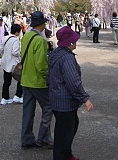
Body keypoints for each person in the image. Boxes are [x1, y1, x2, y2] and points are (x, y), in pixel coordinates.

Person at [48, 26, 93, 160]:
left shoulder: (56, 53)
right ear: (70, 42)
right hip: (64, 101)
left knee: (70, 128)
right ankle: (62, 156)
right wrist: (85, 98)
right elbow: (73, 82)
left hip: (57, 98)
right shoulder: (66, 58)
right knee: (64, 133)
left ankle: (67, 154)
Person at [20, 11, 53, 150]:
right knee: (48, 107)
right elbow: (41, 65)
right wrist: (48, 76)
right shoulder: (40, 40)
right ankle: (43, 138)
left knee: (28, 110)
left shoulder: (26, 36)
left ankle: (27, 139)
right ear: (43, 24)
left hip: (25, 79)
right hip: (37, 81)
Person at [0, 23, 23, 105]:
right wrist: (20, 52)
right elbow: (15, 52)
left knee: (6, 81)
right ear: (17, 32)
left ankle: (4, 97)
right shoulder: (16, 40)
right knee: (20, 79)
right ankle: (18, 95)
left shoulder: (5, 38)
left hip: (5, 61)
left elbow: (1, 49)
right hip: (13, 63)